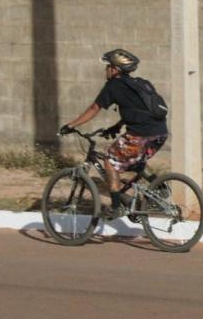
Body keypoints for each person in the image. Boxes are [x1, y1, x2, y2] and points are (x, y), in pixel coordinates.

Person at [59, 49, 169, 218]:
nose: (106, 70)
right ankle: (160, 188)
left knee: (110, 161)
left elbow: (94, 108)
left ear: (115, 69)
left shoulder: (113, 86)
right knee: (135, 161)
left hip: (140, 134)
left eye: (108, 67)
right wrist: (117, 126)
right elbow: (138, 110)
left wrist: (70, 125)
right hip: (160, 133)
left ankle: (117, 206)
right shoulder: (138, 84)